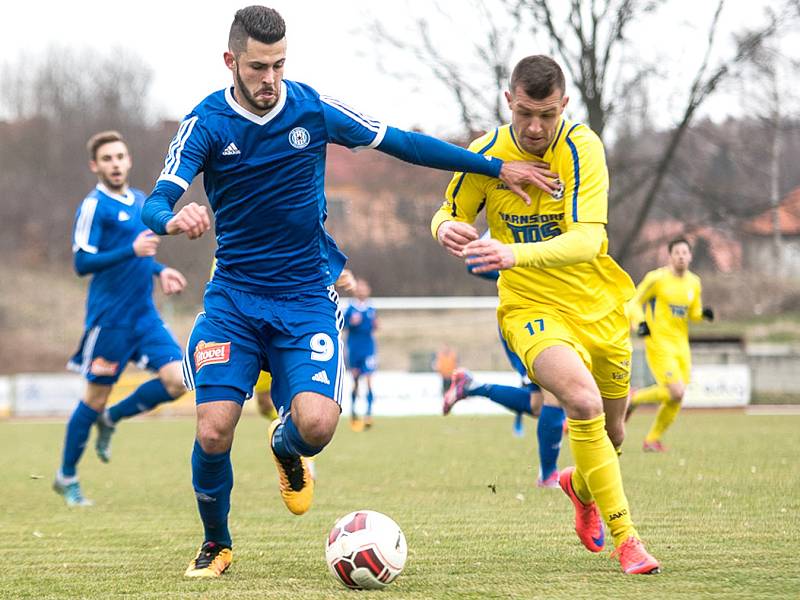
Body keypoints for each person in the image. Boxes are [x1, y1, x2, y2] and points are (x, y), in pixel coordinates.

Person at [141, 6, 557, 578]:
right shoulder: (206, 123)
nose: (271, 79)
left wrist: (493, 167)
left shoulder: (312, 106)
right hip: (233, 300)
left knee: (315, 428)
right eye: (259, 67)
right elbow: (157, 198)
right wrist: (172, 219)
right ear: (231, 61)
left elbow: (404, 143)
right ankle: (217, 544)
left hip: (307, 296)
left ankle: (284, 449)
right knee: (213, 429)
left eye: (280, 64)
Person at [431, 55, 661, 574]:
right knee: (580, 401)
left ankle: (578, 488)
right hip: (530, 308)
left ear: (564, 106)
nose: (535, 128)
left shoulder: (581, 147)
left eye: (547, 116)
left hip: (598, 306)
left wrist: (513, 252)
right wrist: (442, 227)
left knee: (615, 433)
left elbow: (588, 240)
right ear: (509, 101)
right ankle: (628, 540)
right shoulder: (486, 154)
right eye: (526, 114)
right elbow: (450, 210)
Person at [54, 131, 187, 507]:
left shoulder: (142, 201)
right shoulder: (94, 207)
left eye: (120, 157)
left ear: (129, 161)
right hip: (109, 321)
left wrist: (160, 270)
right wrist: (131, 249)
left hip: (144, 316)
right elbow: (82, 262)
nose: (115, 164)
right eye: (107, 158)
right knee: (93, 398)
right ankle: (66, 476)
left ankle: (112, 418)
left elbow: (142, 255)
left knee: (179, 380)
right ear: (95, 166)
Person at [444, 245, 566, 487]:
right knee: (554, 396)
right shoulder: (512, 220)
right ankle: (549, 475)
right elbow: (474, 260)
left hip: (558, 313)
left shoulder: (565, 224)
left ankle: (471, 386)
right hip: (526, 318)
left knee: (538, 405)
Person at [626, 238, 714, 451]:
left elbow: (691, 313)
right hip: (659, 343)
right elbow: (633, 302)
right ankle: (634, 398)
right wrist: (640, 323)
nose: (681, 256)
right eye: (677, 252)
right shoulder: (657, 279)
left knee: (678, 397)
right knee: (675, 391)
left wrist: (703, 314)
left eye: (685, 252)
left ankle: (652, 439)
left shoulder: (694, 282)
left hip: (681, 345)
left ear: (690, 256)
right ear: (670, 256)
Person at [343, 278, 378, 431]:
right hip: (354, 350)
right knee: (356, 382)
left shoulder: (371, 308)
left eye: (364, 288)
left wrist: (376, 325)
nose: (362, 290)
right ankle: (354, 413)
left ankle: (368, 415)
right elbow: (342, 325)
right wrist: (351, 322)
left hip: (369, 350)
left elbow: (374, 327)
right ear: (355, 290)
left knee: (369, 380)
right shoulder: (350, 308)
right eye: (360, 288)